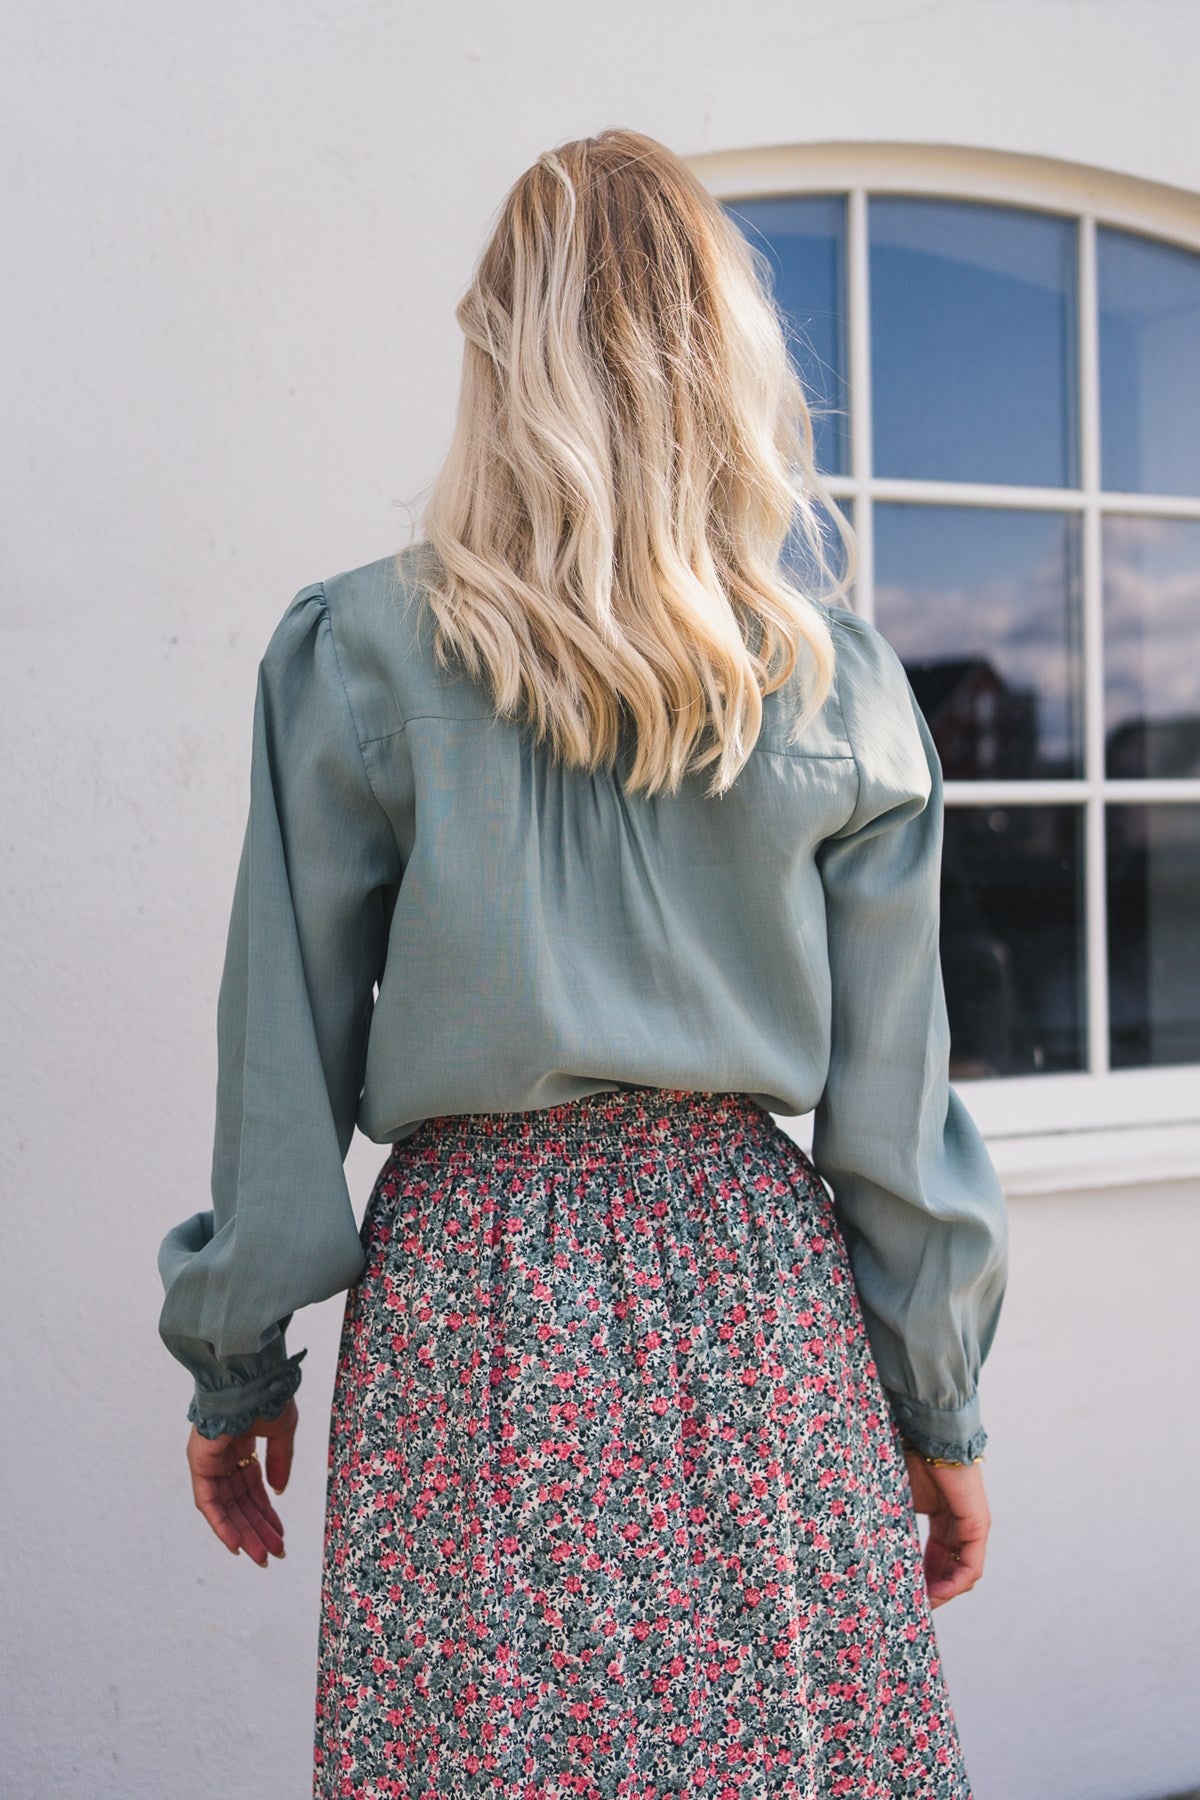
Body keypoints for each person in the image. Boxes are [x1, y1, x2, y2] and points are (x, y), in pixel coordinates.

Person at [157, 127, 1008, 1800]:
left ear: (498, 356)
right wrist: (940, 1410)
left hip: (472, 1300)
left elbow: (281, 1061)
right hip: (756, 1299)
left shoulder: (357, 650)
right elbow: (896, 1120)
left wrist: (235, 1364)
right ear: (727, 366)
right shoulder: (838, 686)